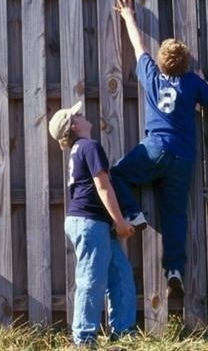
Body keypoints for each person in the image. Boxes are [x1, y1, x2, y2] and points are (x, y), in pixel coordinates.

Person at [111, 0, 208, 297]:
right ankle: (174, 268)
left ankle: (133, 213)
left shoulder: (150, 75)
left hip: (155, 148)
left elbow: (138, 46)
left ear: (161, 61)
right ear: (186, 64)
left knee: (117, 174)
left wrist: (128, 16)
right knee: (174, 214)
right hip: (183, 158)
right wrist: (203, 81)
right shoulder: (191, 82)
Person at [48, 101, 138, 345]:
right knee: (91, 278)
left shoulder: (79, 149)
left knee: (120, 274)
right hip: (90, 223)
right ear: (74, 125)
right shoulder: (89, 146)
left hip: (91, 222)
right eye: (77, 114)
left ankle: (124, 334)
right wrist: (119, 222)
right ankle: (84, 339)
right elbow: (103, 186)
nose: (83, 114)